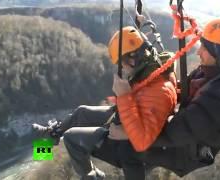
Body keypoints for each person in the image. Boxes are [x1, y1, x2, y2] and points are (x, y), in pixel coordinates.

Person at [32, 26, 177, 180]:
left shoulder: (159, 91)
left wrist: (124, 96)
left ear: (134, 58)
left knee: (71, 138)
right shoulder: (151, 69)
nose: (121, 68)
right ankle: (49, 140)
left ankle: (92, 177)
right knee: (81, 112)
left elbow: (142, 140)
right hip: (127, 117)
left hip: (129, 141)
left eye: (121, 64)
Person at [111, 18, 220, 177]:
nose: (198, 52)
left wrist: (128, 132)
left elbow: (175, 133)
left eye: (204, 48)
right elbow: (184, 89)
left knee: (128, 150)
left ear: (219, 53)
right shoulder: (218, 70)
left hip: (189, 154)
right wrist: (158, 87)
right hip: (190, 135)